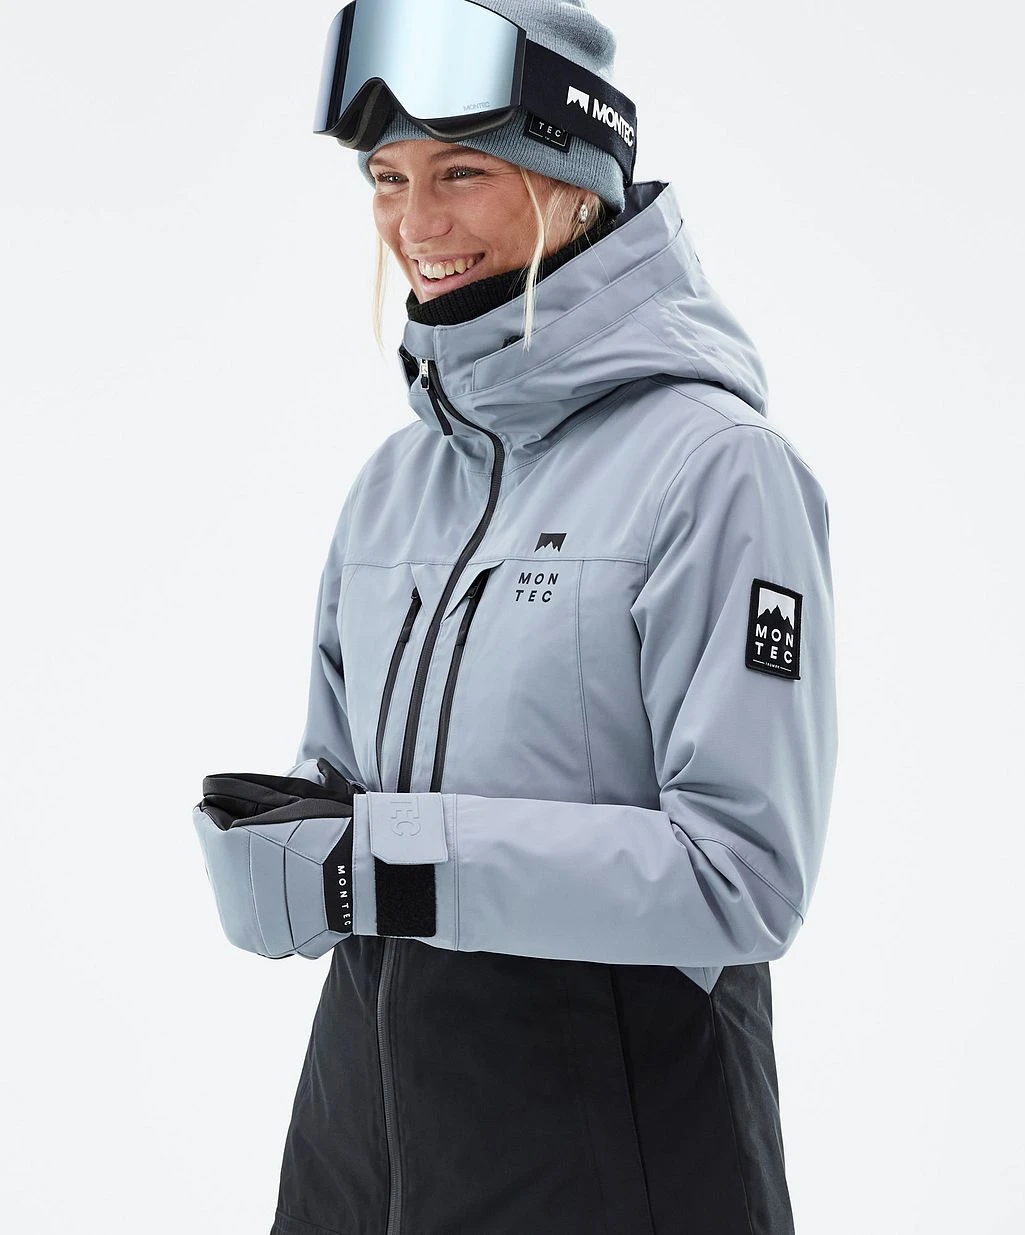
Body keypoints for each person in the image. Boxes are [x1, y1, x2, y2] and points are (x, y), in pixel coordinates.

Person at [192, 3, 838, 1233]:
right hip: (360, 1141)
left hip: (613, 1155)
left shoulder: (716, 470)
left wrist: (392, 862)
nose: (415, 224)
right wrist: (286, 846)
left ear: (575, 183)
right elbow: (347, 792)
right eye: (387, 179)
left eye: (462, 173)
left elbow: (742, 876)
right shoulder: (394, 482)